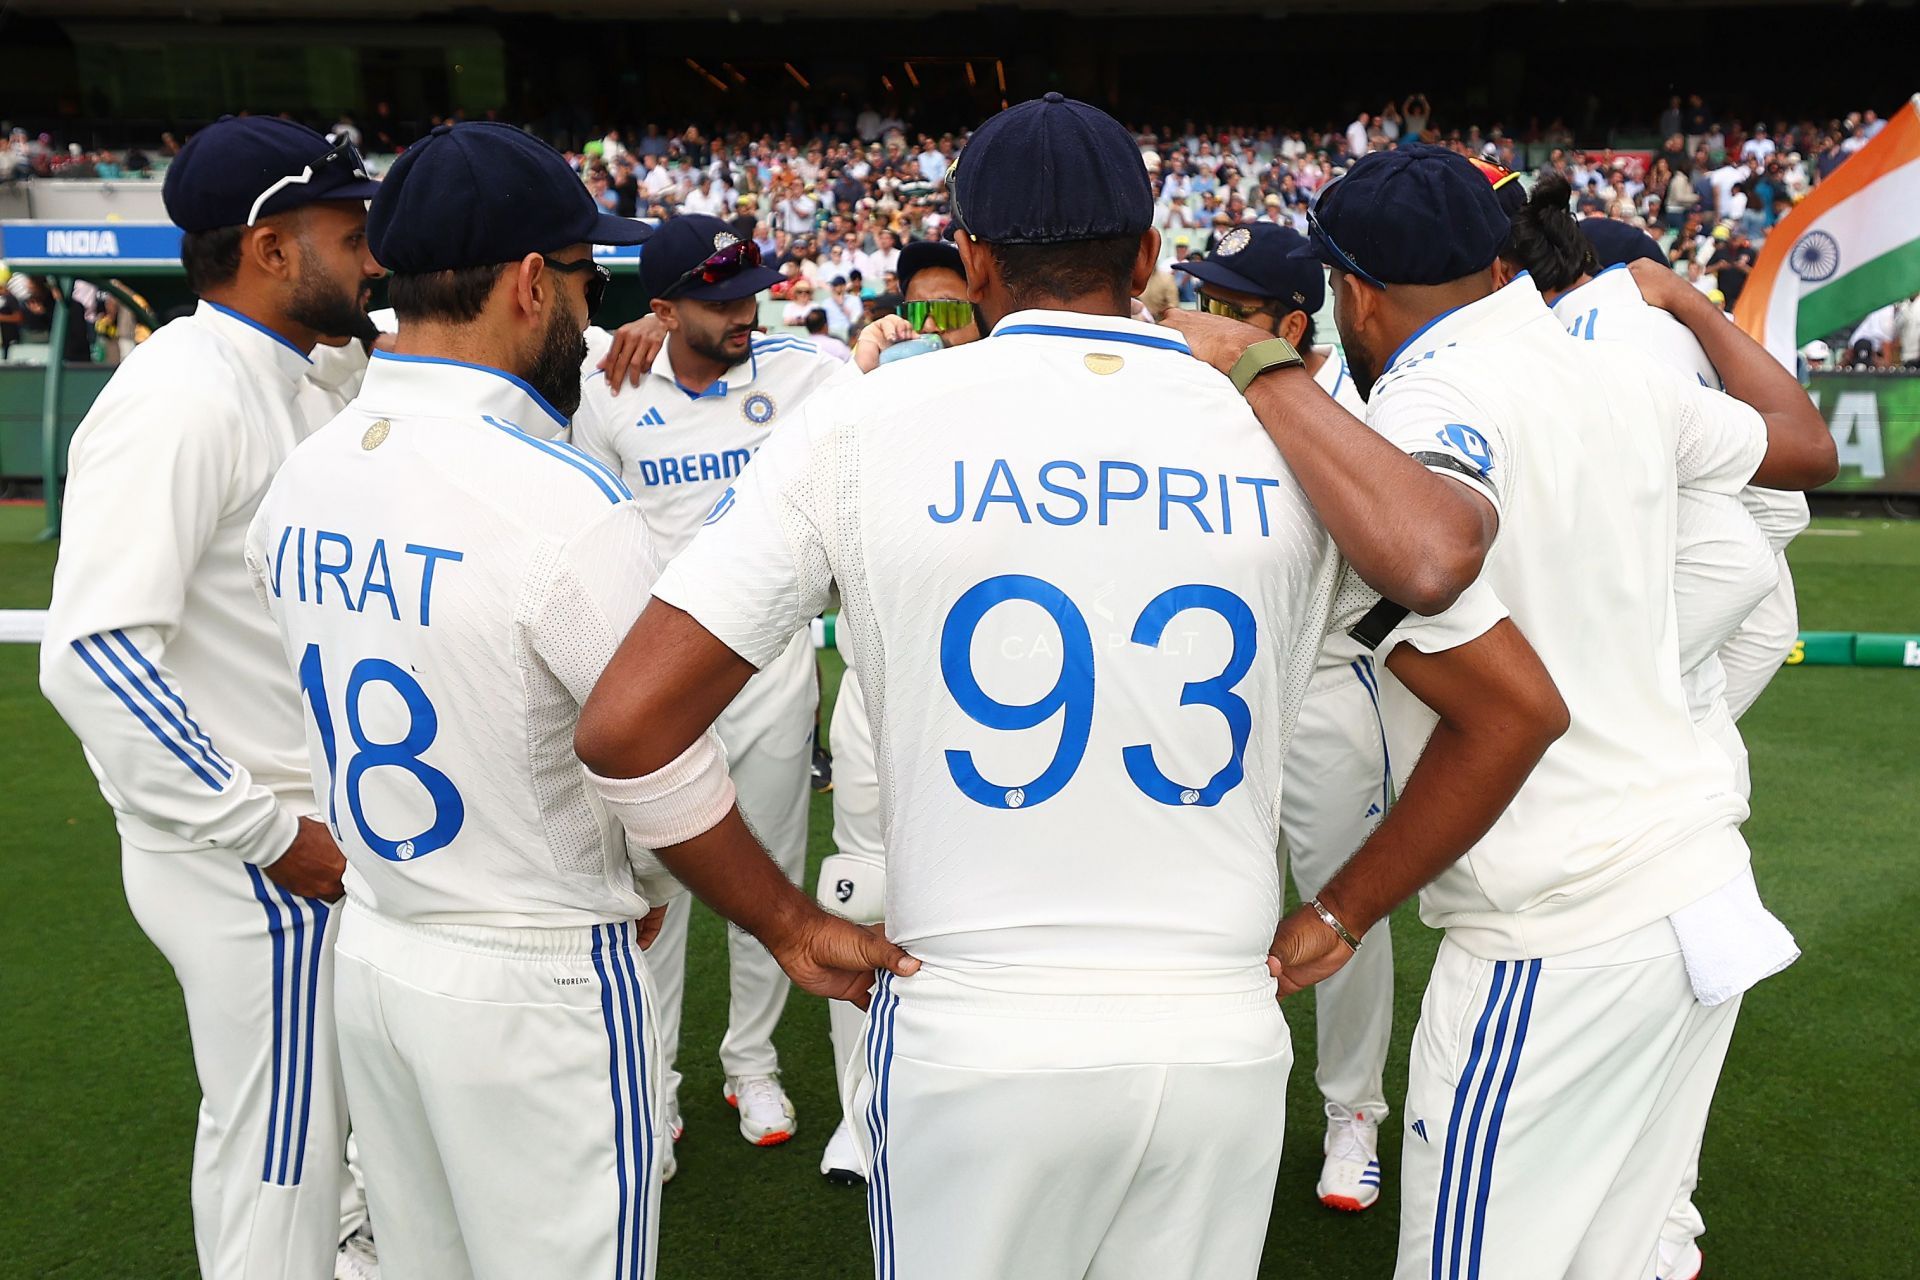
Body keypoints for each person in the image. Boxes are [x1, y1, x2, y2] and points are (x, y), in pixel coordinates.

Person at [573, 94, 1563, 1280]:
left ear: (975, 260)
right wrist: (1342, 910)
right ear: (1148, 256)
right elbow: (1516, 708)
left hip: (971, 1025)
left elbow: (629, 725)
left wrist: (789, 922)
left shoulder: (864, 422)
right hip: (1213, 1027)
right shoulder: (1284, 435)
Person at [1289, 144, 1835, 1279]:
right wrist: (1685, 298)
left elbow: (1435, 552)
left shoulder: (1425, 398)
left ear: (1353, 290)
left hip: (1557, 934)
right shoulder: (1614, 370)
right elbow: (1806, 444)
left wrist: (1267, 381)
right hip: (1695, 890)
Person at [243, 120, 664, 1280]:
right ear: (533, 282)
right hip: (539, 963)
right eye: (586, 274)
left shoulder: (307, 469)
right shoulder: (563, 496)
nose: (593, 307)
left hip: (378, 947)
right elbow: (655, 753)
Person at [38, 113, 383, 1280]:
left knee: (319, 1151)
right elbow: (92, 654)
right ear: (271, 248)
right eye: (351, 230)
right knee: (276, 1165)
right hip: (256, 858)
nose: (373, 254)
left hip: (297, 838)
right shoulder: (180, 393)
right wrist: (273, 834)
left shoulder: (297, 372)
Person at [1511, 190, 1813, 1280]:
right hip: (1680, 786)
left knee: (1562, 1098)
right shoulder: (1621, 339)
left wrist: (1667, 701)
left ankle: (1653, 1226)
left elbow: (1752, 556)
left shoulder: (1576, 350)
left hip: (1614, 800)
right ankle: (1662, 1229)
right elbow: (1769, 553)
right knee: (1663, 1068)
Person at [569, 214, 900, 1165]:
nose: (743, 314)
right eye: (718, 301)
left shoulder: (809, 374)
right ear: (663, 307)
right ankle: (653, 1077)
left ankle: (751, 1063)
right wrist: (607, 340)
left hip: (767, 668)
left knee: (765, 874)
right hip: (656, 670)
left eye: (750, 293)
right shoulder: (608, 385)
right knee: (653, 886)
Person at [1173, 219, 1395, 1214]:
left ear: (1293, 323)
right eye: (1204, 301)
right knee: (1195, 899)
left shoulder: (1351, 412)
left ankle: (1353, 1111)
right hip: (1199, 688)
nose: (1209, 323)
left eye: (1232, 310)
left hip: (1326, 686)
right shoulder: (1183, 395)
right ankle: (1207, 1108)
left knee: (1344, 906)